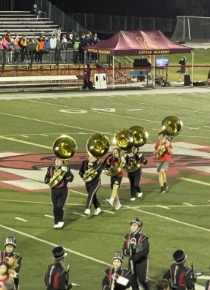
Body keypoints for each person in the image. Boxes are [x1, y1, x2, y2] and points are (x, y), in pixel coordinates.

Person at [44, 157, 74, 229]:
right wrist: (49, 180)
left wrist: (66, 171)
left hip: (63, 191)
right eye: (56, 159)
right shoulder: (50, 169)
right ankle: (56, 222)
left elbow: (70, 179)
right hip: (53, 190)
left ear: (62, 161)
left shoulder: (65, 169)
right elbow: (46, 179)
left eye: (59, 160)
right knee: (55, 207)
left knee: (59, 206)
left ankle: (60, 221)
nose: (57, 161)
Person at [122, 217, 149, 290]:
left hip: (141, 261)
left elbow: (146, 250)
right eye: (132, 225)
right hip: (131, 261)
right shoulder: (127, 236)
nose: (132, 227)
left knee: (142, 280)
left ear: (139, 227)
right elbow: (124, 250)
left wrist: (136, 254)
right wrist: (128, 252)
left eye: (135, 225)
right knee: (132, 279)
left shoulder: (143, 237)